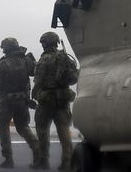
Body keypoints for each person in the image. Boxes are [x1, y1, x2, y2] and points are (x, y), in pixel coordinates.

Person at [0, 37, 40, 168]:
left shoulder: (3, 64)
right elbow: (36, 71)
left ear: (5, 49)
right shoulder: (26, 60)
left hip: (7, 101)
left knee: (3, 127)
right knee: (23, 126)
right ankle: (37, 149)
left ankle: (8, 158)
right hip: (23, 101)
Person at [32, 32, 78, 171]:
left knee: (42, 130)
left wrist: (34, 94)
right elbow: (74, 78)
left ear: (45, 43)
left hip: (46, 100)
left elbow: (38, 80)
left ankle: (43, 160)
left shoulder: (44, 59)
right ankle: (67, 162)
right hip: (63, 99)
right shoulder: (65, 58)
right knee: (64, 130)